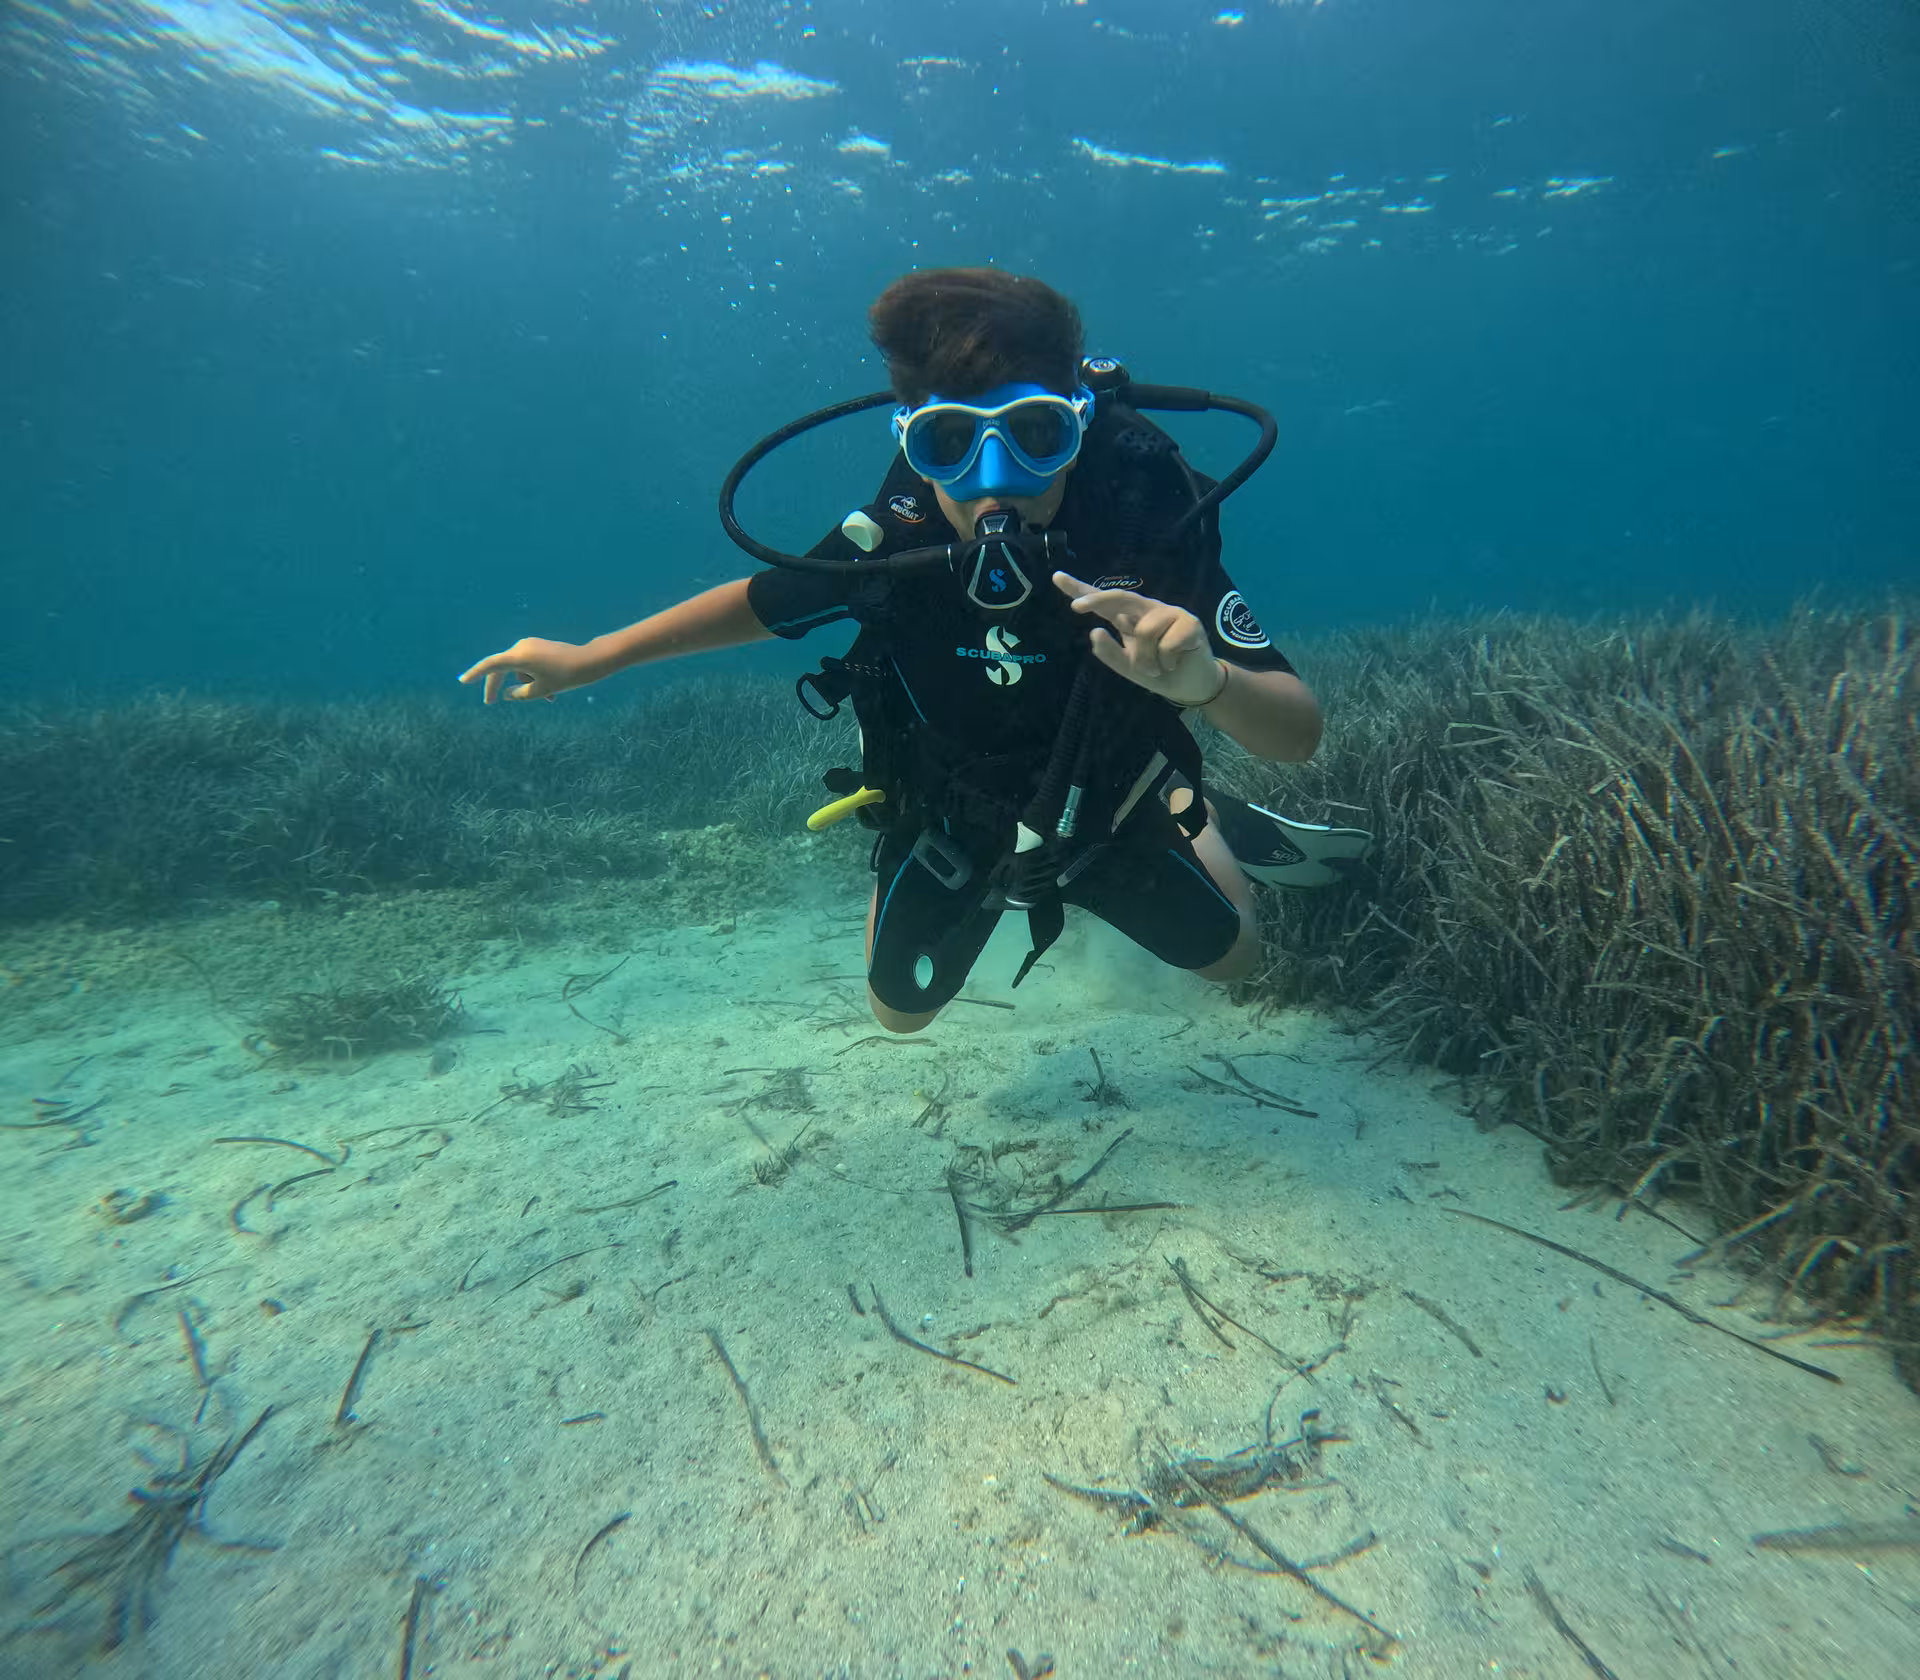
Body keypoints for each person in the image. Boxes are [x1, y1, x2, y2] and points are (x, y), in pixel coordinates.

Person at [461, 268, 1365, 1033]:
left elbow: (1295, 733)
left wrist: (1208, 684)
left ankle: (1204, 823)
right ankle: (959, 871)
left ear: (1081, 423)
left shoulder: (1150, 524)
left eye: (1038, 435)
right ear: (911, 441)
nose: (995, 482)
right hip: (947, 803)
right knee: (898, 1016)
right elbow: (760, 602)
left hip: (1113, 799)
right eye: (951, 445)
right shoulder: (892, 533)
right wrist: (594, 659)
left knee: (1238, 964)